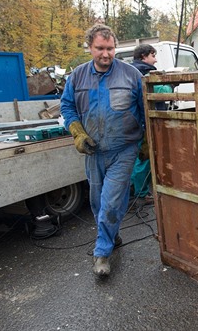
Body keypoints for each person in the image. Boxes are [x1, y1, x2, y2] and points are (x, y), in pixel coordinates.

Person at [61, 24, 145, 277]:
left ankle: (102, 253)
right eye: (100, 48)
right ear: (89, 47)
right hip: (94, 151)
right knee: (98, 203)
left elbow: (146, 111)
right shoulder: (77, 77)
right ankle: (112, 235)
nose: (106, 54)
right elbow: (67, 107)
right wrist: (78, 133)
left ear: (115, 47)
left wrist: (148, 143)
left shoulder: (131, 75)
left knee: (110, 201)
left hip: (124, 149)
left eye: (110, 48)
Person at [129, 44, 158, 203]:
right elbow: (156, 92)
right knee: (143, 158)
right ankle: (141, 193)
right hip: (143, 123)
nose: (155, 59)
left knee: (139, 159)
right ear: (143, 56)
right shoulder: (143, 72)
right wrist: (170, 85)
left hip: (137, 123)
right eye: (153, 55)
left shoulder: (131, 71)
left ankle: (139, 189)